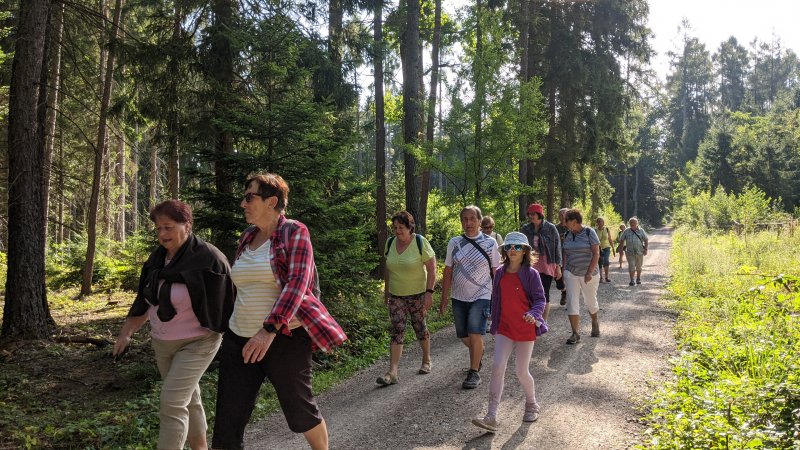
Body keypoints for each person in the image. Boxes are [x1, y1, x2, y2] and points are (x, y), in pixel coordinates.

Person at [212, 173, 347, 450]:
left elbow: (298, 283)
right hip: (239, 339)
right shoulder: (247, 237)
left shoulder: (295, 232)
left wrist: (268, 330)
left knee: (301, 413)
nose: (243, 203)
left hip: (285, 338)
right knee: (227, 423)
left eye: (249, 197)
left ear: (271, 201)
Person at [113, 200, 235, 450]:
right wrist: (127, 333)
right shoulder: (157, 259)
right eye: (158, 228)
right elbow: (145, 299)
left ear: (187, 225)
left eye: (168, 227)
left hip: (199, 341)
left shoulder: (209, 258)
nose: (162, 234)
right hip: (163, 343)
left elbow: (227, 301)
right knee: (188, 398)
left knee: (171, 402)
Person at [471, 232, 548, 432]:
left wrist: (533, 314)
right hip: (505, 328)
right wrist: (494, 322)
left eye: (517, 247)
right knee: (497, 366)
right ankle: (491, 415)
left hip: (525, 328)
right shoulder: (499, 272)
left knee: (521, 371)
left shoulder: (531, 274)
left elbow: (540, 300)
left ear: (525, 251)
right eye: (509, 247)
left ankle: (531, 404)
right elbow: (496, 299)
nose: (513, 250)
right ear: (504, 250)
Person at [440, 205, 501, 389]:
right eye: (465, 219)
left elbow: (496, 272)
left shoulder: (490, 243)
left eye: (472, 219)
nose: (469, 223)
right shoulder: (455, 242)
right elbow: (448, 271)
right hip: (459, 296)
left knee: (475, 332)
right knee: (464, 336)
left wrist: (499, 298)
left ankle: (474, 372)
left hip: (482, 294)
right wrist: (444, 298)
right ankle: (478, 352)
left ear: (480, 221)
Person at [377, 211, 437, 385]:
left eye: (401, 227)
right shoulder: (390, 243)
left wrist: (429, 293)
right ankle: (393, 372)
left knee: (420, 327)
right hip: (396, 295)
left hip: (418, 294)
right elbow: (388, 269)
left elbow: (432, 269)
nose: (397, 231)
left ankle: (426, 360)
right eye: (395, 227)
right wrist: (387, 291)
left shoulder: (420, 242)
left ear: (410, 227)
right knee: (397, 329)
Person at [561, 208, 601, 345]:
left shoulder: (589, 232)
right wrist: (563, 270)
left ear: (574, 221)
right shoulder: (567, 234)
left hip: (589, 274)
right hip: (571, 272)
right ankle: (575, 333)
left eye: (566, 220)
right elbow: (565, 254)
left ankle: (594, 321)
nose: (564, 222)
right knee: (571, 301)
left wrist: (589, 272)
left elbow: (596, 253)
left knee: (590, 301)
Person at [519, 203, 562, 322]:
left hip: (547, 264)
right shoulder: (525, 229)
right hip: (530, 264)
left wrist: (558, 267)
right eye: (529, 214)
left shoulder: (550, 228)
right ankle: (531, 318)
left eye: (533, 214)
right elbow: (520, 246)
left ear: (539, 214)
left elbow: (557, 247)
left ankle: (542, 322)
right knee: (529, 292)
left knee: (544, 293)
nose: (530, 216)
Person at [619, 217, 649, 286]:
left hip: (639, 252)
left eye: (633, 223)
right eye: (631, 223)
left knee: (639, 267)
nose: (632, 224)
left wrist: (646, 249)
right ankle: (632, 280)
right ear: (629, 223)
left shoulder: (641, 230)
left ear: (637, 223)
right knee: (631, 266)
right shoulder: (626, 231)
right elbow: (622, 240)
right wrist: (621, 250)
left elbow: (646, 240)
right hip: (630, 252)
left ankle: (638, 278)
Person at [555, 208, 570, 306]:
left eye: (564, 215)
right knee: (558, 278)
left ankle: (569, 296)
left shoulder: (572, 226)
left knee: (568, 275)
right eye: (560, 215)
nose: (562, 217)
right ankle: (563, 290)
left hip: (570, 255)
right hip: (558, 255)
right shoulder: (555, 228)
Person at [594, 217, 614, 283]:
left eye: (601, 222)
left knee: (606, 261)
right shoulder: (595, 231)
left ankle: (606, 277)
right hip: (598, 248)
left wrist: (613, 248)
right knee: (600, 262)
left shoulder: (607, 229)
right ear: (597, 223)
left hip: (606, 247)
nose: (600, 223)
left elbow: (610, 239)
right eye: (599, 222)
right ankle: (600, 278)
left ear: (603, 222)